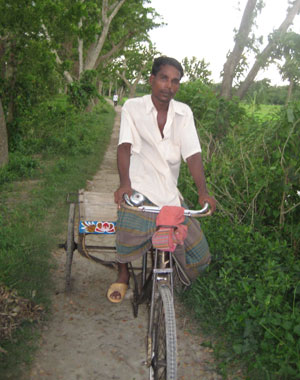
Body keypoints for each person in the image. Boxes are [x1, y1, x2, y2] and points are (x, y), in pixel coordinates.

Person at [107, 56, 216, 303]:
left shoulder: (183, 113)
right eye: (164, 78)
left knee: (196, 250)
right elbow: (124, 146)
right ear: (152, 80)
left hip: (168, 192)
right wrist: (124, 183)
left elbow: (193, 154)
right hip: (140, 186)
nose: (169, 86)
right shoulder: (133, 107)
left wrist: (203, 192)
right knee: (127, 229)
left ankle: (169, 279)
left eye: (175, 81)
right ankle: (123, 271)